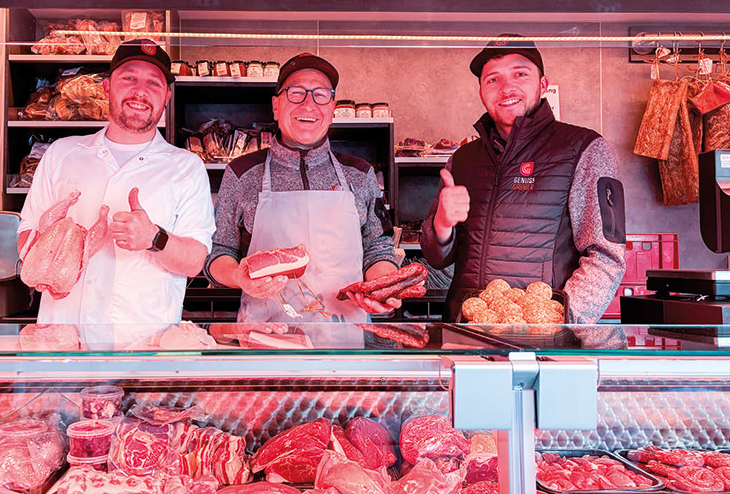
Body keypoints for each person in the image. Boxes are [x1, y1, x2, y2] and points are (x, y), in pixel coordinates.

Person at [421, 35, 627, 348]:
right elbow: (435, 258)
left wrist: (559, 324)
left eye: (520, 74)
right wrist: (442, 226)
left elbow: (606, 256)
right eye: (493, 79)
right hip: (466, 336)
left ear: (543, 84)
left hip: (545, 344)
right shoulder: (462, 159)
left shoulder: (585, 149)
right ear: (482, 94)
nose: (506, 89)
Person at [18, 39, 215, 326]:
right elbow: (26, 233)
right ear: (107, 87)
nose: (140, 91)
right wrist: (47, 255)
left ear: (166, 98)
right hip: (63, 338)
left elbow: (195, 260)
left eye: (153, 84)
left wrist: (154, 238)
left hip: (144, 345)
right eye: (129, 78)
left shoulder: (187, 168)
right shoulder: (62, 153)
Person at [205, 53, 399, 345]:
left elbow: (378, 249)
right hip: (266, 338)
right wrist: (238, 276)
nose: (309, 104)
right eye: (296, 93)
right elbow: (217, 253)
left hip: (345, 339)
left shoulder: (360, 174)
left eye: (321, 95)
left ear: (332, 108)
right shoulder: (242, 174)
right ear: (275, 105)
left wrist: (383, 287)